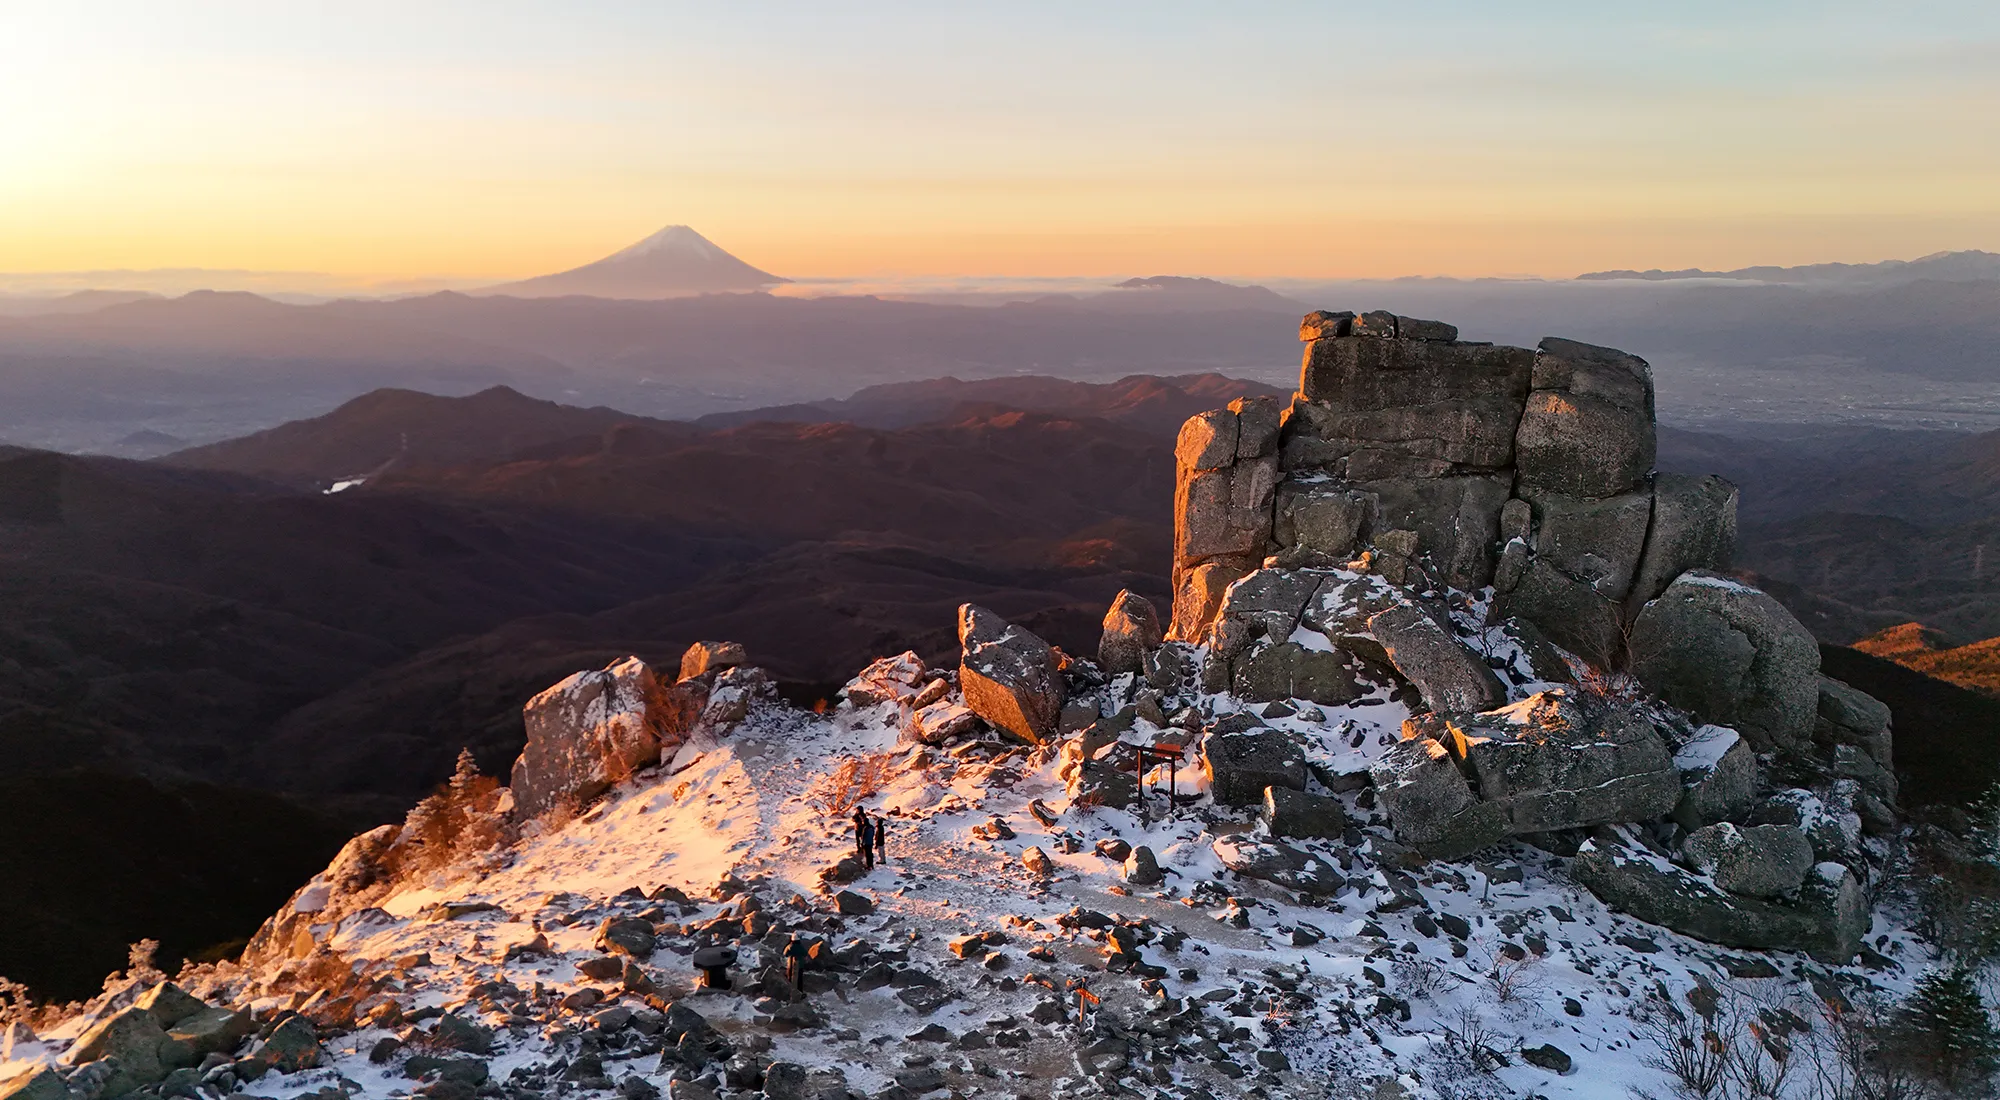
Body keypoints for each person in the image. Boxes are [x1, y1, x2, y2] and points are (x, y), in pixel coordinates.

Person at [852, 805, 874, 869]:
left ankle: (861, 848)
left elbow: (862, 820)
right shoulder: (856, 814)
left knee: (862, 839)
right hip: (857, 828)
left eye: (858, 810)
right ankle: (859, 848)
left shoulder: (863, 815)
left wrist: (859, 819)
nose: (857, 811)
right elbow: (853, 819)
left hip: (861, 829)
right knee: (857, 839)